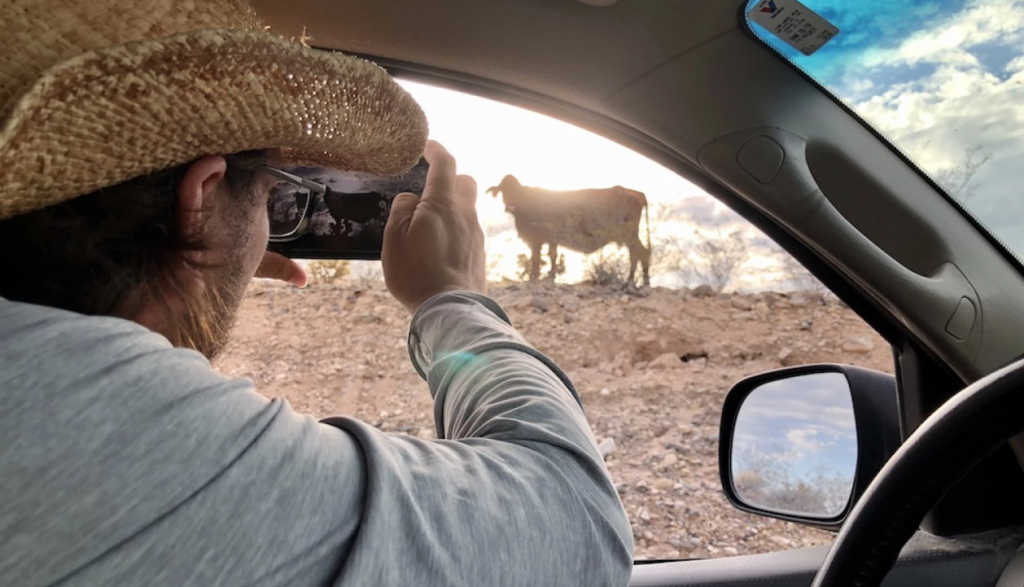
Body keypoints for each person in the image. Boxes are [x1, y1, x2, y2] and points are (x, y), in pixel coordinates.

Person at [0, 0, 633, 586]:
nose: (271, 224)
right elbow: (577, 523)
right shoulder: (107, 427)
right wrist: (452, 297)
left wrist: (204, 262)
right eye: (274, 195)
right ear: (201, 196)